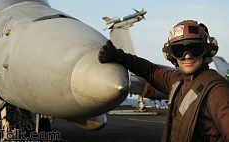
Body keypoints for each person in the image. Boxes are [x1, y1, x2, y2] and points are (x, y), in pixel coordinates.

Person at [98, 20, 229, 141]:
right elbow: (150, 70)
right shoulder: (177, 80)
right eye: (180, 50)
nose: (187, 56)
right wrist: (120, 56)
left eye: (195, 49)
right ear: (170, 55)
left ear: (206, 51)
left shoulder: (217, 91)